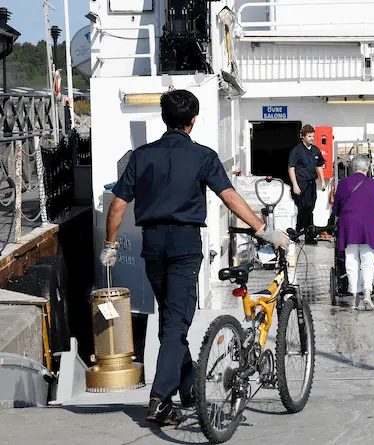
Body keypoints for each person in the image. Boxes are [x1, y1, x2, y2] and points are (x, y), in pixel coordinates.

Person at [99, 89, 290, 426]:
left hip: (153, 245)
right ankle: (159, 400)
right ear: (192, 121)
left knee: (172, 319)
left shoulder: (141, 156)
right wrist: (261, 229)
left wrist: (111, 244)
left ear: (164, 118)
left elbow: (117, 205)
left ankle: (188, 389)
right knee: (175, 323)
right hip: (185, 245)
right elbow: (229, 196)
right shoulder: (203, 156)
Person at [332, 154, 374, 311]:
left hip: (348, 227)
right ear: (367, 168)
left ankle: (355, 297)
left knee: (351, 262)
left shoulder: (343, 184)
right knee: (368, 261)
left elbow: (336, 209)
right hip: (369, 227)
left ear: (352, 168)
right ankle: (368, 295)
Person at [288, 124, 326, 244]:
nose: (312, 138)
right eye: (309, 136)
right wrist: (295, 184)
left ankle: (308, 234)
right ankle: (300, 233)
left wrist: (323, 181)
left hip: (311, 183)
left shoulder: (315, 150)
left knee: (311, 207)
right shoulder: (297, 151)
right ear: (303, 137)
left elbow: (319, 165)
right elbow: (291, 167)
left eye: (313, 136)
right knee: (303, 209)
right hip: (301, 183)